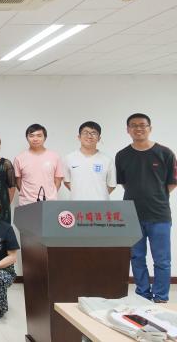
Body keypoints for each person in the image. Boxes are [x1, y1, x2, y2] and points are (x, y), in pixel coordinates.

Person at [116, 113, 177, 303]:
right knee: (136, 257)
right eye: (133, 125)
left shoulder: (165, 153)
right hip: (132, 215)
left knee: (162, 259)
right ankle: (142, 294)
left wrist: (156, 196)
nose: (138, 128)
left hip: (159, 215)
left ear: (150, 128)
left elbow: (171, 183)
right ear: (128, 130)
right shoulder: (122, 155)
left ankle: (160, 296)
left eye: (142, 125)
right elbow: (124, 183)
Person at [64, 121, 116, 200]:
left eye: (94, 133)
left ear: (99, 138)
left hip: (101, 204)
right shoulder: (69, 158)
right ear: (79, 137)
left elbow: (111, 185)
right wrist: (79, 193)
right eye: (85, 133)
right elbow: (66, 181)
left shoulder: (107, 160)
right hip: (77, 203)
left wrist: (99, 195)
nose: (89, 136)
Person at [13, 124, 64, 205]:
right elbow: (18, 181)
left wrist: (51, 195)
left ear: (45, 138)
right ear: (27, 138)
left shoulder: (55, 157)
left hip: (49, 202)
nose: (35, 139)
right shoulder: (19, 158)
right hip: (26, 203)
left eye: (39, 136)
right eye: (31, 136)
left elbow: (58, 180)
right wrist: (27, 196)